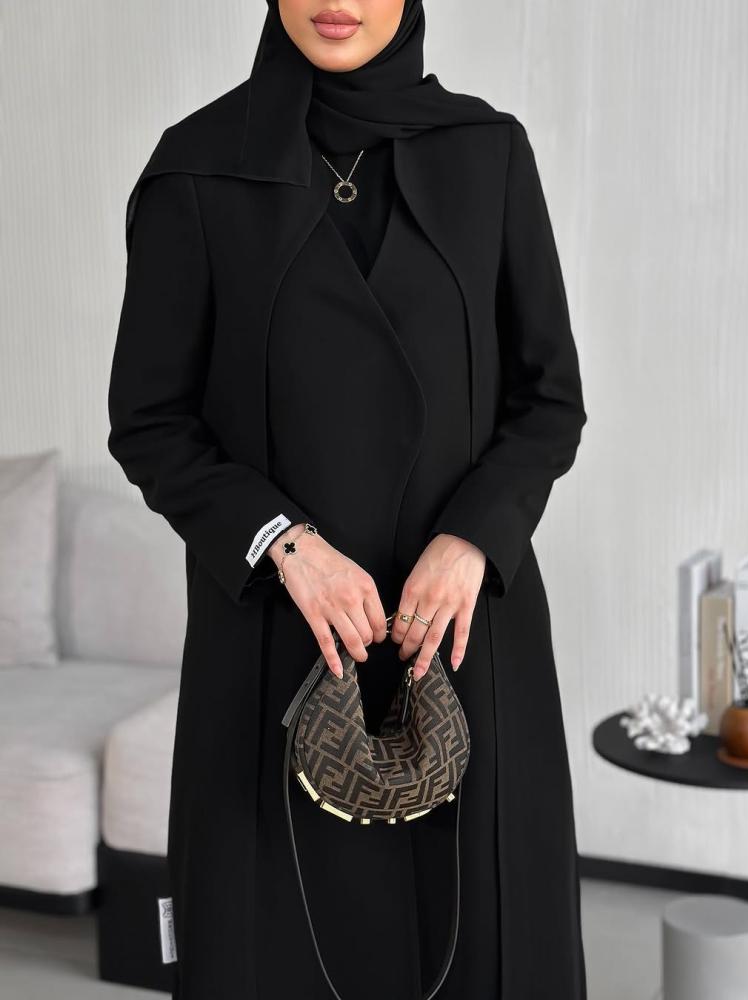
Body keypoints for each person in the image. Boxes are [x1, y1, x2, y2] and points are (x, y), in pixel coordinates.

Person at [107, 1, 588, 998]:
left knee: (486, 953)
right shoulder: (197, 170)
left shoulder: (488, 154)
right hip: (275, 650)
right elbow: (150, 422)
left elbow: (549, 402)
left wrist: (471, 538)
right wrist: (282, 542)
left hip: (464, 638)